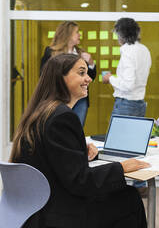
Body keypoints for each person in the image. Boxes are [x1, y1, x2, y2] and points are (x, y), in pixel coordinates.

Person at [10, 53, 149, 228]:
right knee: (129, 197)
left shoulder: (42, 112)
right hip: (57, 214)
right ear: (61, 78)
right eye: (81, 73)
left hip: (37, 208)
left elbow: (55, 158)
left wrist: (80, 150)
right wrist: (121, 168)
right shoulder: (63, 117)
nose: (89, 79)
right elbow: (80, 181)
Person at [102, 18, 151, 193]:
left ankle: (117, 187)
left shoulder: (128, 52)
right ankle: (139, 184)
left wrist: (110, 79)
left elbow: (128, 84)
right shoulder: (144, 50)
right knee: (135, 147)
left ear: (121, 33)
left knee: (117, 148)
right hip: (139, 103)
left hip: (126, 104)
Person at [40, 21, 96, 126]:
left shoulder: (81, 53)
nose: (79, 35)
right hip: (59, 97)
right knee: (59, 129)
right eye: (77, 32)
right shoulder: (51, 52)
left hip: (80, 99)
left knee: (76, 129)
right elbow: (44, 75)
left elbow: (91, 76)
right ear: (68, 34)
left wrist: (91, 63)